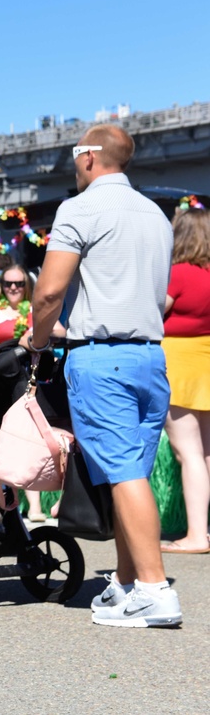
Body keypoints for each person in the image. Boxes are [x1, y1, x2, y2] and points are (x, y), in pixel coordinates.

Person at [30, 125, 181, 628]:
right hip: (151, 358)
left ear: (91, 157)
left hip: (102, 355)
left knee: (122, 473)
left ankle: (156, 591)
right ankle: (127, 581)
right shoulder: (156, 216)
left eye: (75, 155)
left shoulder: (80, 209)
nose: (74, 164)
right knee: (129, 473)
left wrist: (37, 340)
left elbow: (49, 292)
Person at [0, 263, 65, 521]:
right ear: (1, 286)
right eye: (8, 284)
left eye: (19, 284)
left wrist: (36, 335)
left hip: (26, 384)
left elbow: (60, 330)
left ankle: (34, 507)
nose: (13, 288)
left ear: (27, 287)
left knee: (28, 443)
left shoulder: (35, 311)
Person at [159, 200, 210, 553]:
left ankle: (195, 535)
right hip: (206, 359)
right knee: (206, 453)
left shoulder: (177, 274)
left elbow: (151, 310)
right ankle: (203, 528)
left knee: (187, 452)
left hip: (178, 363)